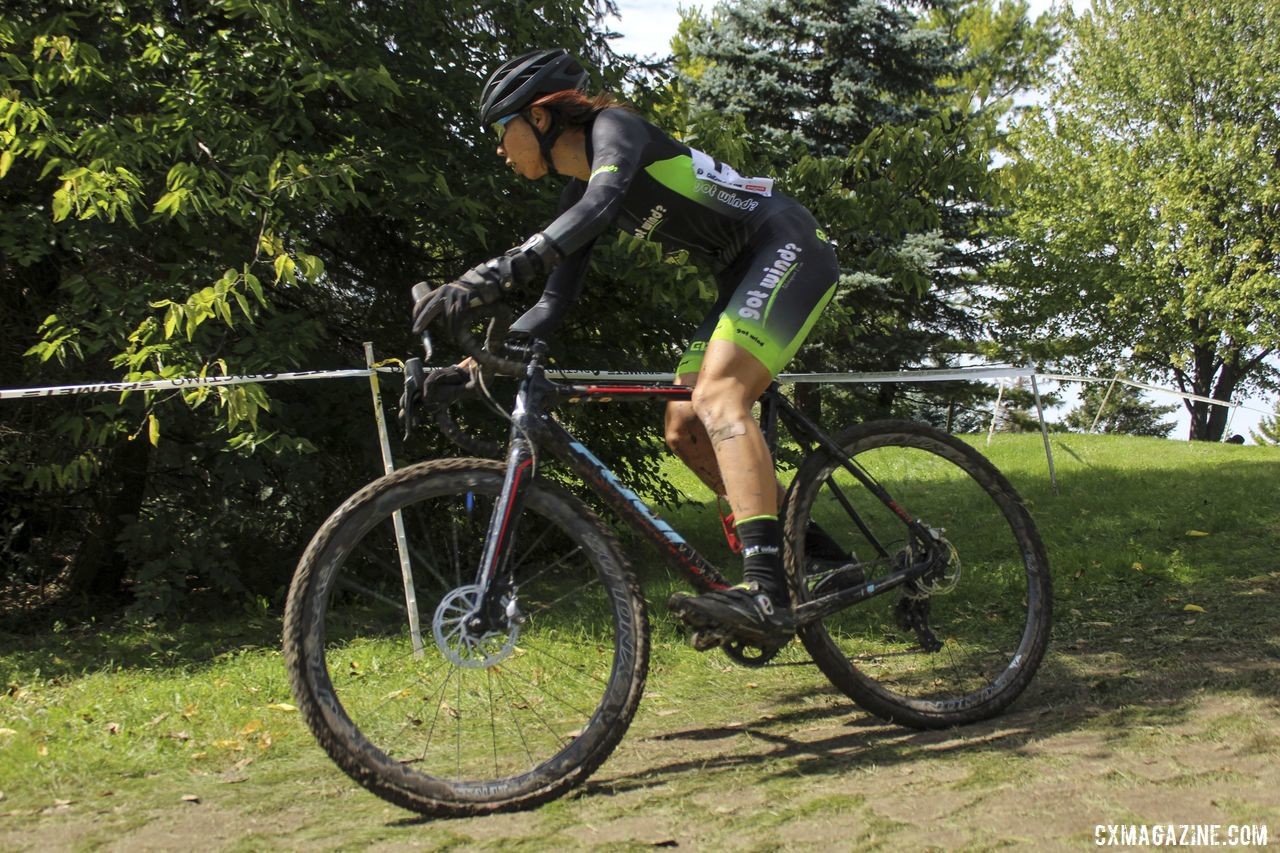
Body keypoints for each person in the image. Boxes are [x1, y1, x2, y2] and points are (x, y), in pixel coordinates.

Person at [412, 49, 842, 647]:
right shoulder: (580, 192)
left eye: (500, 131)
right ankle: (810, 546)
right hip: (740, 273)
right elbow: (551, 306)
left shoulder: (618, 130)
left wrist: (489, 275)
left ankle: (765, 590)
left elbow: (598, 208)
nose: (497, 149)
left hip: (787, 245)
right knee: (683, 426)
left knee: (719, 398)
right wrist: (472, 365)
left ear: (538, 118)